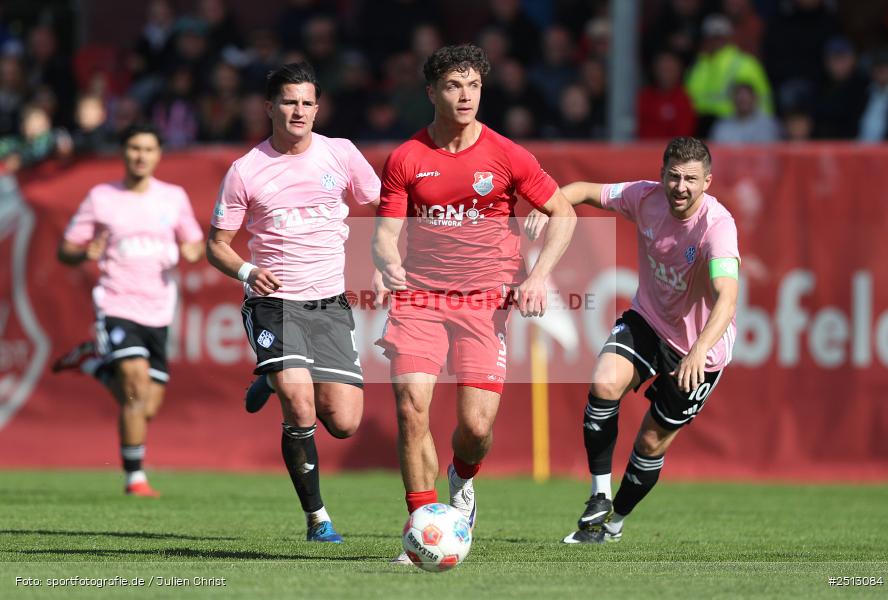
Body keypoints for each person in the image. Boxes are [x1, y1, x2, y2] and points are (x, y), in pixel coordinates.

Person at [372, 44, 576, 562]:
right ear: (431, 92)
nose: (465, 96)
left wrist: (538, 277)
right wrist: (386, 262)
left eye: (473, 86)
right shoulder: (407, 157)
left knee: (476, 429)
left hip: (487, 302)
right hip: (419, 296)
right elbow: (385, 232)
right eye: (453, 86)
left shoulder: (508, 154)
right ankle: (420, 526)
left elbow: (563, 214)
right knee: (410, 408)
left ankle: (462, 479)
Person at [525, 136, 739, 544]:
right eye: (674, 177)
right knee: (604, 383)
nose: (681, 187)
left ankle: (614, 522)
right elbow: (585, 191)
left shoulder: (718, 227)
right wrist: (547, 204)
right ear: (662, 175)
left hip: (699, 350)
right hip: (648, 321)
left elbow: (727, 299)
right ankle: (599, 496)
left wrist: (698, 351)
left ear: (708, 182)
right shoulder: (644, 196)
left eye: (691, 179)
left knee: (651, 441)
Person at [205, 62, 381, 543]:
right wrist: (246, 270)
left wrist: (388, 262)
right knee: (300, 407)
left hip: (329, 303)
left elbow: (383, 205)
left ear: (317, 108)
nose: (298, 110)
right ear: (269, 108)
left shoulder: (341, 154)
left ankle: (271, 374)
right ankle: (317, 518)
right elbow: (216, 245)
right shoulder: (247, 170)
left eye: (306, 102)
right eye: (288, 101)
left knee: (343, 422)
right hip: (275, 302)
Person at [54, 124, 204, 497]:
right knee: (135, 387)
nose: (141, 155)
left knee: (145, 405)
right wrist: (81, 253)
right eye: (134, 148)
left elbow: (196, 242)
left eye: (148, 149)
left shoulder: (173, 197)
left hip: (159, 309)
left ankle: (93, 363)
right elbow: (65, 249)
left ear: (158, 155)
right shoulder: (101, 197)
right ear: (123, 152)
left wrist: (192, 251)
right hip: (116, 303)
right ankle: (134, 477)